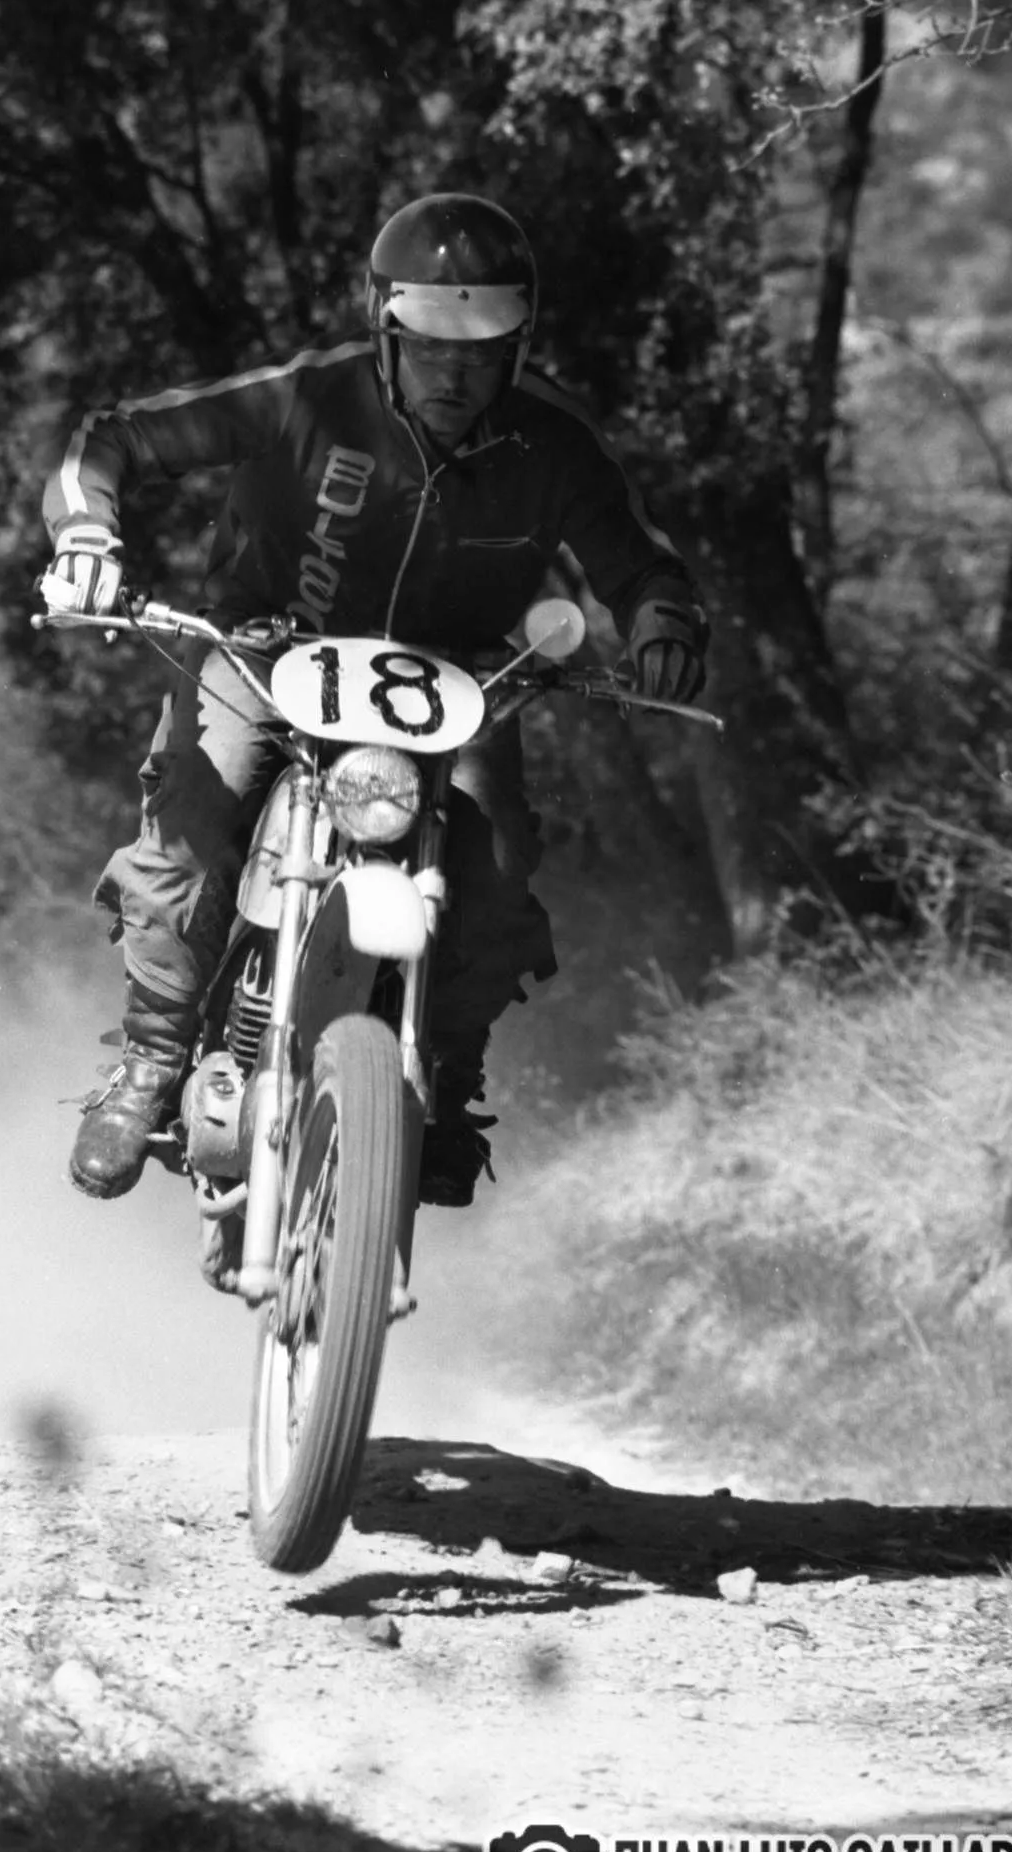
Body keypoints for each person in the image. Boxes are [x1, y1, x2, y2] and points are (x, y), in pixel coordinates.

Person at [40, 192, 706, 1216]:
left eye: (482, 350)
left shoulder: (558, 444)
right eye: (429, 344)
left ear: (520, 346)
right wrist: (88, 539)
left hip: (457, 686)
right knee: (194, 816)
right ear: (384, 328)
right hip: (262, 653)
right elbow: (110, 441)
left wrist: (663, 626)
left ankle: (446, 1080)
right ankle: (151, 1057)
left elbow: (645, 564)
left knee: (497, 865)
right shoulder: (307, 398)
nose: (454, 373)